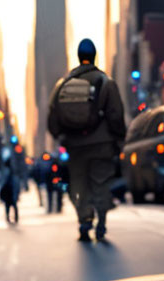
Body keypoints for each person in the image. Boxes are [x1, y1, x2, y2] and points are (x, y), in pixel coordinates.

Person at [48, 38, 125, 242]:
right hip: (102, 145)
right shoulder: (105, 82)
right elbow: (116, 115)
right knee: (100, 182)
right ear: (94, 57)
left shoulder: (63, 84)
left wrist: (62, 136)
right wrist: (119, 139)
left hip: (75, 146)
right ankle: (101, 222)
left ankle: (84, 220)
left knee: (78, 184)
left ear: (78, 57)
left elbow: (52, 118)